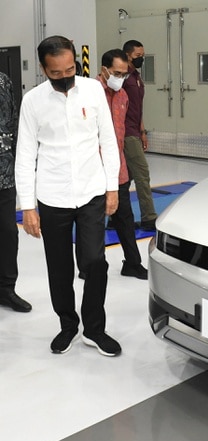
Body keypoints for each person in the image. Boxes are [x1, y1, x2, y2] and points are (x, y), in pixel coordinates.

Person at [15, 36, 122, 356]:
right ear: (43, 69)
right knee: (59, 266)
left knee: (95, 262)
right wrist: (28, 208)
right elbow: (24, 155)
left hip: (91, 193)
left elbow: (109, 140)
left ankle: (94, 329)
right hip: (52, 196)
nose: (64, 77)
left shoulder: (92, 91)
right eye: (56, 73)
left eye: (70, 69)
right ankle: (68, 324)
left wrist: (112, 187)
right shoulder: (33, 102)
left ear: (76, 62)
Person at [96, 49, 148, 280]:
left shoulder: (123, 95)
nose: (121, 79)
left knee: (125, 219)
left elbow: (120, 134)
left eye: (124, 75)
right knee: (93, 223)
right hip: (94, 172)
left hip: (118, 170)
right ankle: (91, 267)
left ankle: (133, 264)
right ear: (104, 70)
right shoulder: (91, 94)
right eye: (117, 73)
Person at [0, 72, 32, 313]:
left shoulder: (3, 81)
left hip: (4, 171)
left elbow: (13, 120)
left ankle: (6, 289)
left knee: (8, 233)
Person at [122, 39, 157, 231]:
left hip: (135, 130)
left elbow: (138, 109)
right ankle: (149, 218)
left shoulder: (136, 77)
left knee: (125, 179)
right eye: (138, 56)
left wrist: (143, 131)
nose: (141, 59)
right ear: (127, 55)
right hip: (127, 133)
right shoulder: (122, 77)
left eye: (142, 56)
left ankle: (115, 216)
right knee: (142, 173)